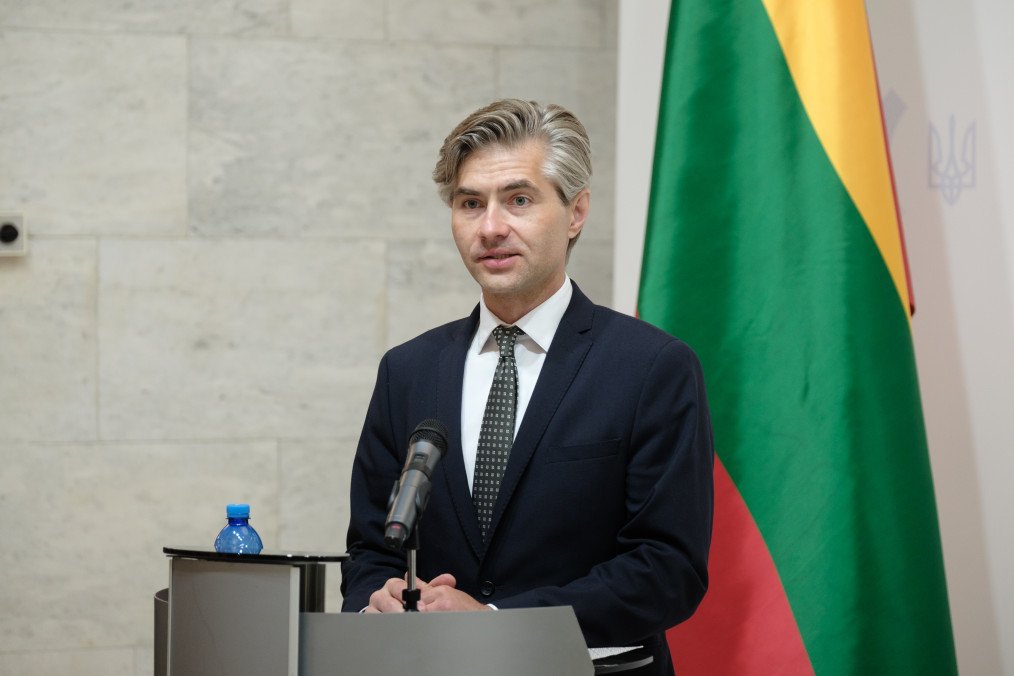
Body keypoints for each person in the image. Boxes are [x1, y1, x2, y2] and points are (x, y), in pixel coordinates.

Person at [341, 99, 714, 675]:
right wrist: (377, 600)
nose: (491, 228)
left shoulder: (652, 368)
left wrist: (496, 622)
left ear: (576, 212)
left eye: (518, 199)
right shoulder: (407, 370)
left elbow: (668, 568)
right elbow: (371, 549)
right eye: (471, 203)